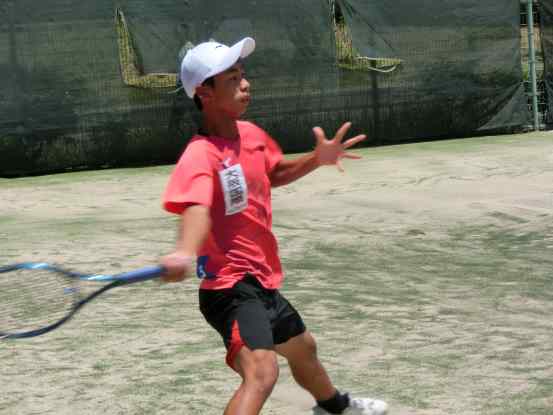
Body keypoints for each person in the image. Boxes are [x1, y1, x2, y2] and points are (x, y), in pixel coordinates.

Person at [160, 37, 388, 415]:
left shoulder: (250, 135)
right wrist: (185, 251)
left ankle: (334, 407)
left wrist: (317, 159)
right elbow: (196, 207)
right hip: (230, 288)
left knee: (303, 348)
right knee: (262, 373)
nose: (245, 84)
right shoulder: (201, 154)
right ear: (204, 92)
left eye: (242, 74)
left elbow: (274, 172)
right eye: (232, 78)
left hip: (260, 280)